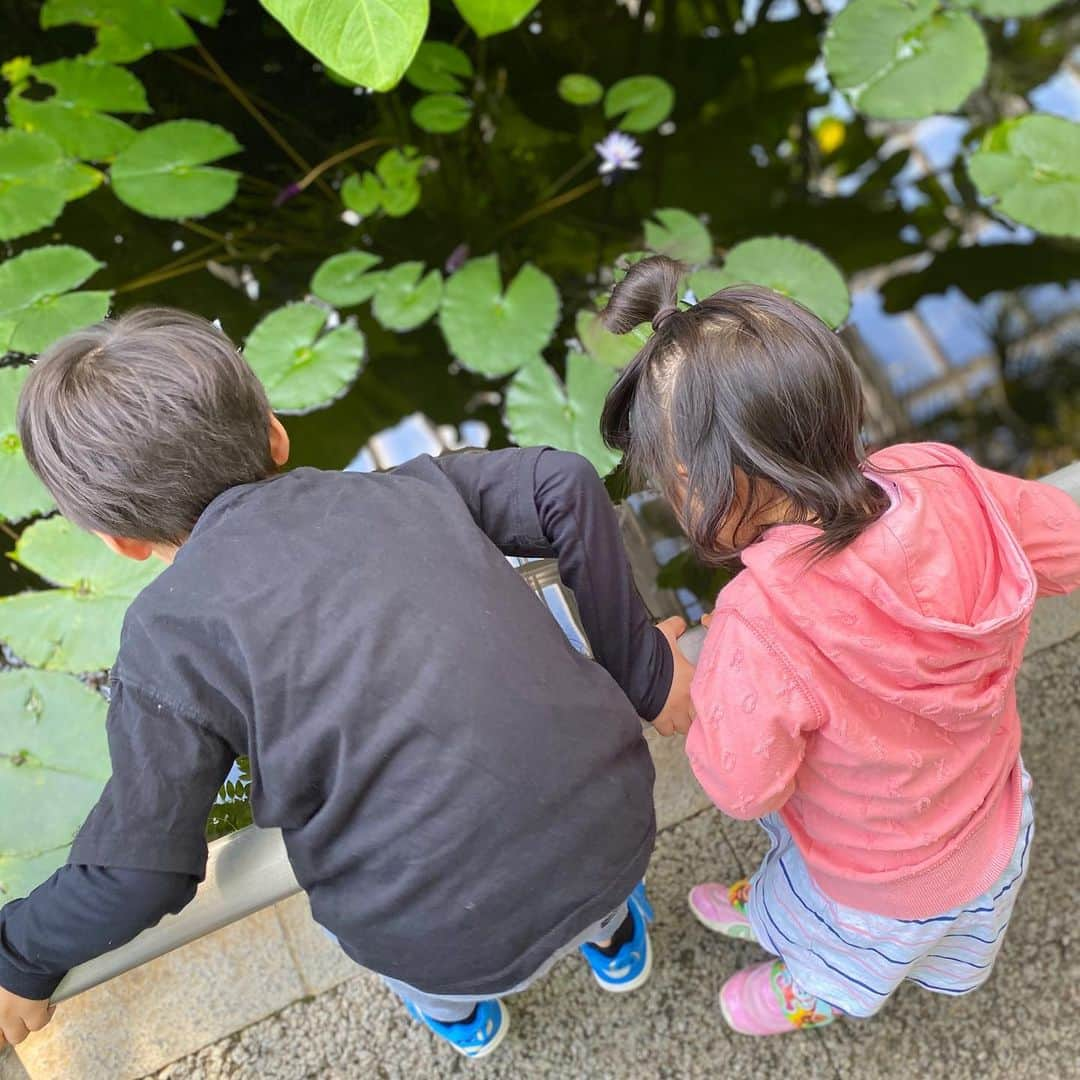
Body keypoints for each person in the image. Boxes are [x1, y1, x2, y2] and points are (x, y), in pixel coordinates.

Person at [0, 308, 694, 1058]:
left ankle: (466, 1020)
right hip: (616, 832)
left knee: (432, 967)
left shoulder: (166, 640)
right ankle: (616, 941)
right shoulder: (411, 489)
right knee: (588, 870)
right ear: (274, 431)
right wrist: (644, 674)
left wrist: (19, 956)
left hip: (437, 941)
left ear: (119, 541)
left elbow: (139, 873)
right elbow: (562, 481)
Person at [597, 255, 1080, 1036]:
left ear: (694, 481)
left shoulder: (760, 623)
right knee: (818, 871)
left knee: (841, 942)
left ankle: (815, 989)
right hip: (991, 804)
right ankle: (779, 904)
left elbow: (745, 788)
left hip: (881, 881)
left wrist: (691, 682)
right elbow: (1065, 545)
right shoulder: (943, 477)